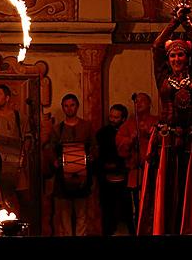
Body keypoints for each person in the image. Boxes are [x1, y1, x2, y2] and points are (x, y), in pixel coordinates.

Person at [136, 3, 192, 235]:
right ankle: (165, 228)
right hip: (166, 139)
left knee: (189, 185)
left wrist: (186, 21)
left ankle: (188, 228)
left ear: (187, 57)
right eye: (173, 55)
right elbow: (157, 46)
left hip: (189, 138)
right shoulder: (162, 75)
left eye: (181, 54)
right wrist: (173, 21)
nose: (177, 58)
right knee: (167, 187)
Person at [46, 93, 96, 236]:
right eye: (66, 106)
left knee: (82, 214)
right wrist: (55, 161)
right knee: (64, 216)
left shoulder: (86, 126)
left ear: (77, 106)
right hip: (63, 178)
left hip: (83, 177)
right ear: (63, 108)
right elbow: (51, 148)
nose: (69, 109)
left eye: (72, 105)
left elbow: (94, 146)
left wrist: (91, 156)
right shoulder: (57, 129)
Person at [116, 92, 159, 229]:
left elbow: (165, 143)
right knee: (137, 205)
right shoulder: (128, 124)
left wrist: (151, 135)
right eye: (136, 101)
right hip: (136, 174)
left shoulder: (157, 121)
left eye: (142, 100)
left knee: (154, 205)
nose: (139, 103)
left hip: (154, 172)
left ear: (150, 104)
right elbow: (120, 145)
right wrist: (130, 139)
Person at [0, 84, 32, 216]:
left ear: (7, 98)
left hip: (15, 167)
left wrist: (23, 157)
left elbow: (27, 138)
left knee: (22, 198)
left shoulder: (19, 117)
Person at [96, 103, 133, 235]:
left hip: (124, 176)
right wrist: (105, 165)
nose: (112, 119)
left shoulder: (130, 131)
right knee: (107, 209)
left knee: (127, 209)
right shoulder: (103, 133)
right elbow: (98, 154)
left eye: (116, 117)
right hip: (106, 178)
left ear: (123, 119)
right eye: (111, 116)